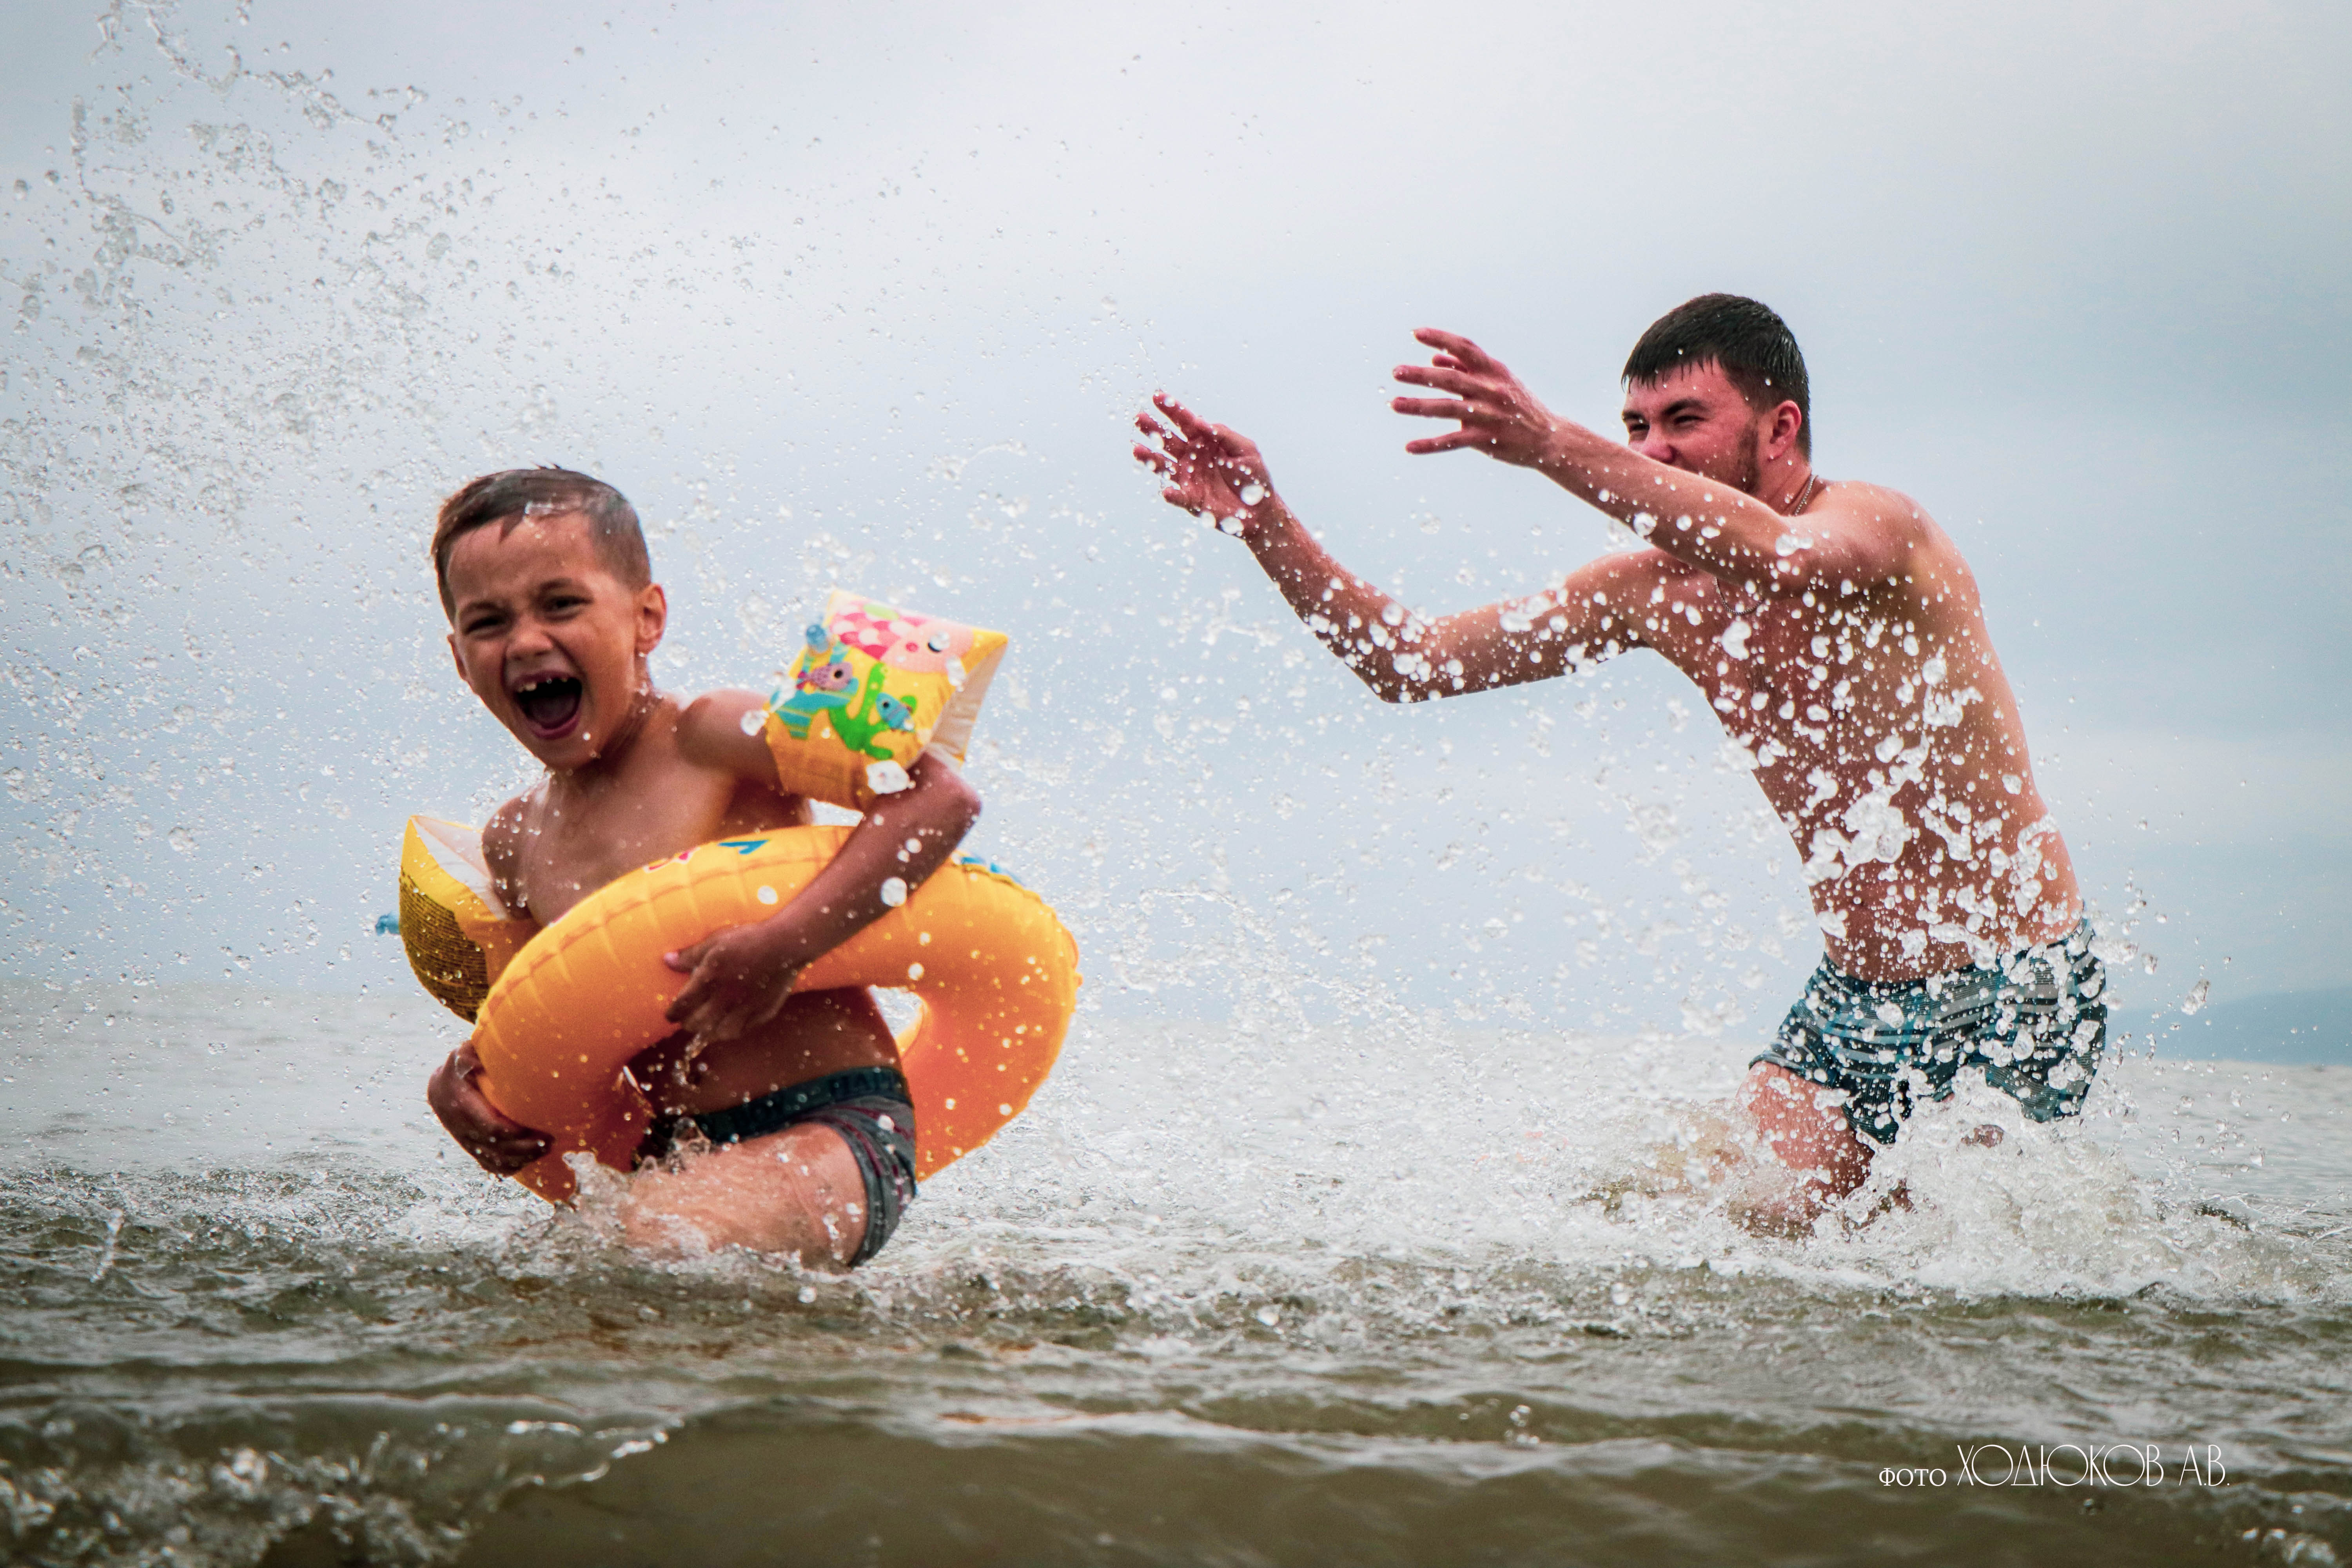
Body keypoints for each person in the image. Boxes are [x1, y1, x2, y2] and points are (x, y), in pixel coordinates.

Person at [1133, 294, 2105, 1229]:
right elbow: (1411, 662)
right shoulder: (1655, 592)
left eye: (1684, 420)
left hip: (2012, 986)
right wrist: (1266, 525)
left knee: (1950, 1264)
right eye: (1636, 426)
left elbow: (1786, 558)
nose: (1652, 451)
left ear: (1779, 429)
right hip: (1854, 999)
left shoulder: (1879, 528)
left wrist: (1549, 442)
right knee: (1722, 1222)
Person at [421, 468, 981, 1265]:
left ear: (647, 618)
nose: (527, 641)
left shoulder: (710, 735)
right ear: (459, 659)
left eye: (561, 604)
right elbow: (536, 1011)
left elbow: (939, 799)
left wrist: (785, 945)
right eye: (488, 621)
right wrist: (460, 1082)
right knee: (593, 1269)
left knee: (653, 1241)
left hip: (838, 1122)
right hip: (669, 1150)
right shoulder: (514, 840)